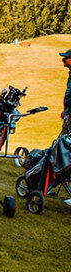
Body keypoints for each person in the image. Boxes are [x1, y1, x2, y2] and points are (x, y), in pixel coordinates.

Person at [59, 49, 71, 206]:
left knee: (65, 148)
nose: (63, 61)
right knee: (61, 148)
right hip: (68, 116)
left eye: (66, 58)